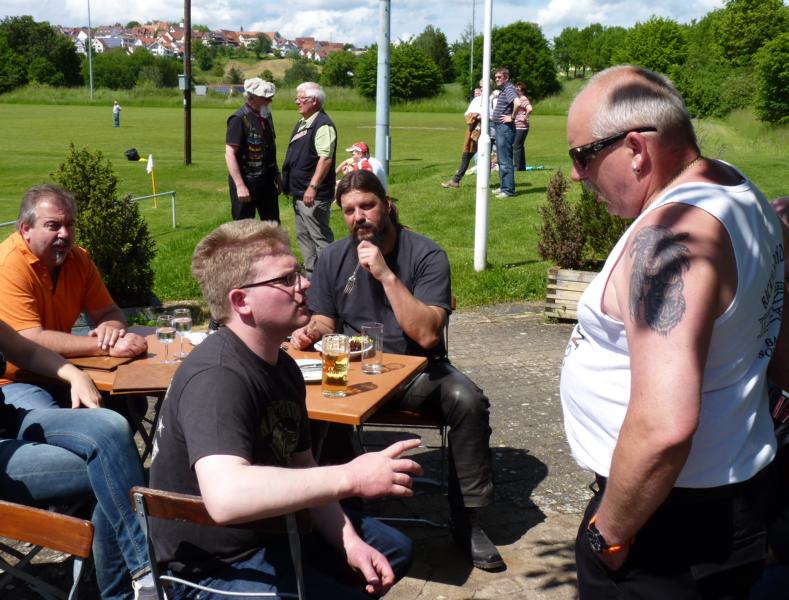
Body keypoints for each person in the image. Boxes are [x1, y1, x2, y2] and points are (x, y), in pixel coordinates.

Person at [560, 65, 782, 598]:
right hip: (722, 503)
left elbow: (664, 427)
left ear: (636, 149)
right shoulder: (735, 187)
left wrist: (608, 534)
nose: (575, 175)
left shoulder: (669, 240)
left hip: (666, 529)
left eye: (582, 156)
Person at [149, 219, 421, 598]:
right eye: (287, 279)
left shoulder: (284, 365)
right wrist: (351, 476)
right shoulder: (218, 376)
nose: (305, 284)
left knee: (393, 551)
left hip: (275, 531)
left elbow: (302, 467)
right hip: (215, 567)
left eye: (299, 273)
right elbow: (226, 496)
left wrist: (348, 542)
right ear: (241, 301)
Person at [291, 170, 506, 572]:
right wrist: (310, 332)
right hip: (354, 373)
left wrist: (385, 274)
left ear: (387, 205)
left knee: (467, 400)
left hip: (414, 374)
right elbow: (324, 321)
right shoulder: (333, 257)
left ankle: (469, 521)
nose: (359, 217)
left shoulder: (426, 255)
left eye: (367, 206)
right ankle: (341, 510)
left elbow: (426, 334)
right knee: (312, 400)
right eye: (349, 210)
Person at [0, 318, 154, 599]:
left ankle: (143, 577)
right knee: (113, 470)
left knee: (109, 426)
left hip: (10, 419)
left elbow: (28, 351)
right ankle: (132, 585)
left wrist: (75, 375)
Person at [0, 184, 147, 411]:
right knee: (57, 421)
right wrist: (104, 347)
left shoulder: (78, 260)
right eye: (53, 226)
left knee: (131, 402)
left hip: (63, 370)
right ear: (25, 229)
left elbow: (109, 312)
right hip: (14, 380)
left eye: (70, 224)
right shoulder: (8, 264)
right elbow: (31, 340)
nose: (65, 234)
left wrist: (110, 329)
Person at [282, 81, 337, 277]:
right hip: (300, 193)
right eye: (297, 98)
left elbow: (326, 159)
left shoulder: (323, 125)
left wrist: (312, 187)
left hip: (313, 194)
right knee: (303, 236)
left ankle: (330, 277)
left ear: (314, 101)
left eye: (301, 98)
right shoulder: (304, 122)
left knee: (319, 237)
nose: (297, 102)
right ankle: (313, 276)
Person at [225, 77, 282, 222]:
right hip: (246, 182)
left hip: (267, 182)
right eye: (265, 97)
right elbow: (230, 154)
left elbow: (269, 149)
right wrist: (240, 185)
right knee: (243, 228)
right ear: (252, 97)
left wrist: (277, 176)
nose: (270, 100)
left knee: (272, 226)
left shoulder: (266, 116)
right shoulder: (238, 119)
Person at [441, 83, 485, 189]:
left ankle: (500, 185)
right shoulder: (477, 100)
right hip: (474, 131)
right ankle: (455, 181)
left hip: (488, 133)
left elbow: (493, 115)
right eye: (481, 87)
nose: (481, 89)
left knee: (488, 157)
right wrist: (474, 116)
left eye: (483, 87)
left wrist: (481, 116)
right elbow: (467, 114)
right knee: (467, 155)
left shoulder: (492, 98)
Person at [490, 68, 518, 198]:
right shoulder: (505, 89)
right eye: (496, 77)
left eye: (499, 77)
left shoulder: (509, 89)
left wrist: (511, 117)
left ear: (506, 78)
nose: (496, 79)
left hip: (505, 128)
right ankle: (503, 187)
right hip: (500, 127)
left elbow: (517, 103)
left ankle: (508, 190)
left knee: (505, 160)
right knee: (502, 159)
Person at [512, 82, 532, 172]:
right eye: (515, 89)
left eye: (518, 89)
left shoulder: (523, 98)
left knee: (516, 146)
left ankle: (518, 167)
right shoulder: (517, 99)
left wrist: (525, 117)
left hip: (521, 127)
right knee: (519, 146)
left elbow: (530, 109)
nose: (516, 90)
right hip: (518, 126)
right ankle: (521, 166)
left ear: (522, 91)